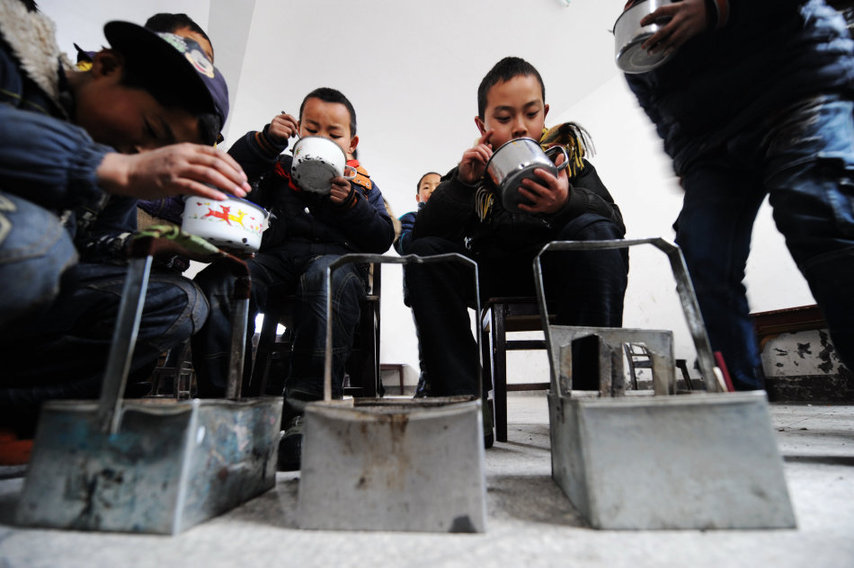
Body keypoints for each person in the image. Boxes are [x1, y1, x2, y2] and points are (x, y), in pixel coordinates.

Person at [0, 1, 249, 446]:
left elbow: (88, 246)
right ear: (107, 65)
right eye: (152, 129)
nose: (143, 153)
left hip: (28, 284)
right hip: (22, 255)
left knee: (179, 303)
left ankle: (17, 414)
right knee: (37, 242)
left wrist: (150, 245)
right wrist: (105, 165)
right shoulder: (14, 63)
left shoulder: (116, 159)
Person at [621, 0, 854, 390]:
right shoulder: (638, 23)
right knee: (700, 254)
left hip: (796, 85)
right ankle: (740, 403)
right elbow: (653, 103)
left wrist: (717, 9)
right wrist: (682, 160)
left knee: (817, 210)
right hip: (711, 142)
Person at [191, 87, 395, 471]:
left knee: (326, 276)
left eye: (333, 134)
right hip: (276, 260)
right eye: (311, 129)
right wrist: (265, 143)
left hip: (334, 265)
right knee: (222, 278)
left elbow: (383, 237)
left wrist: (351, 206)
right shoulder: (280, 169)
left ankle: (307, 412)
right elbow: (231, 179)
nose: (321, 139)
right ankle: (220, 406)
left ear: (351, 144)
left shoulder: (361, 184)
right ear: (298, 130)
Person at [405, 56, 629, 402]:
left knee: (598, 234)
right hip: (490, 272)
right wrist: (462, 187)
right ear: (483, 125)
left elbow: (614, 222)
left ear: (545, 112)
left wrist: (566, 202)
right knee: (423, 256)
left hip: (558, 273)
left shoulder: (570, 164)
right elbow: (420, 237)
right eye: (505, 118)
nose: (521, 126)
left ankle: (587, 397)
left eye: (531, 113)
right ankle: (465, 398)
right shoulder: (469, 172)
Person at [394, 171, 441, 397]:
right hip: (420, 289)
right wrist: (430, 219)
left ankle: (447, 381)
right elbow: (404, 246)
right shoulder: (410, 219)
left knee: (451, 332)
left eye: (438, 186)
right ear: (417, 196)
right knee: (426, 336)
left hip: (448, 286)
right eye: (426, 187)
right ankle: (428, 380)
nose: (432, 190)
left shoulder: (454, 218)